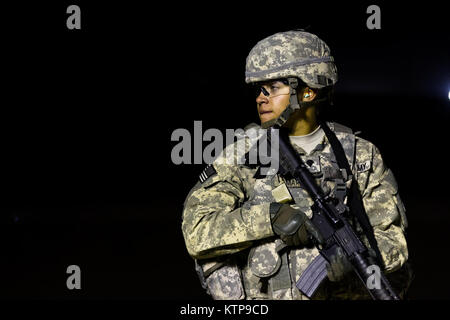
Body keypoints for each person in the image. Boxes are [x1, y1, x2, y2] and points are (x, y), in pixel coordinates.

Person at [181, 30, 413, 300]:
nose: (260, 98)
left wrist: (357, 260)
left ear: (307, 92)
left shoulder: (358, 155)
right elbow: (197, 232)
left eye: (273, 88)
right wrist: (270, 217)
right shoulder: (241, 156)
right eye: (259, 89)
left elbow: (394, 242)